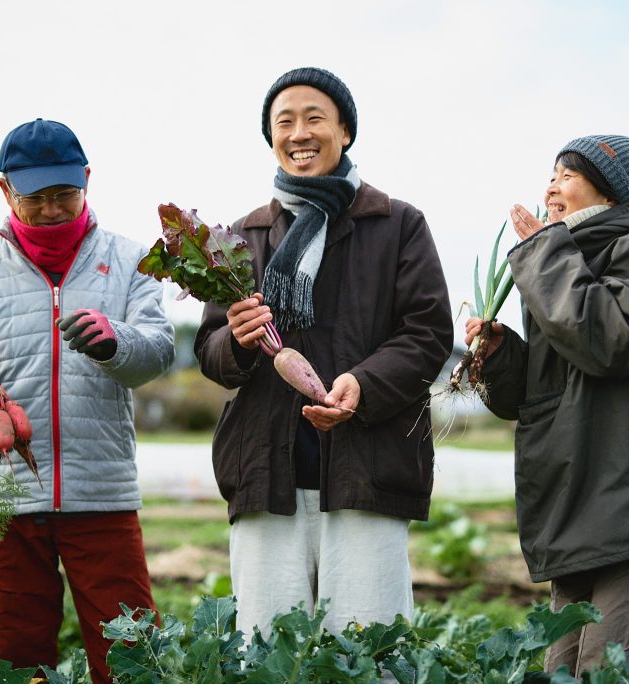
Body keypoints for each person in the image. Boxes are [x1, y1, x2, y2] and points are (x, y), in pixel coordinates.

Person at [194, 67, 454, 642]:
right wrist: (235, 340)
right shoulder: (244, 235)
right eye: (283, 121)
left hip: (368, 466)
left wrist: (362, 385)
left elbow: (428, 333)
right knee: (266, 651)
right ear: (271, 137)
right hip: (265, 472)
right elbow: (209, 350)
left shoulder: (397, 225)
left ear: (346, 132)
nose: (299, 132)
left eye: (315, 118)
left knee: (367, 649)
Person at [464, 135, 629, 683]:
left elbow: (607, 340)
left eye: (567, 173)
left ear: (609, 188)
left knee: (609, 675)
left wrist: (544, 255)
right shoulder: (568, 264)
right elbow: (535, 397)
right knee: (565, 673)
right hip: (586, 515)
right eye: (550, 174)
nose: (550, 186)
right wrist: (501, 355)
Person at [0, 118, 174, 683]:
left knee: (132, 659)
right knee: (16, 659)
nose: (50, 211)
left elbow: (160, 350)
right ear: (5, 191)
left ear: (87, 180)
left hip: (103, 494)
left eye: (64, 195)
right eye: (34, 198)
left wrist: (117, 342)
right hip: (7, 500)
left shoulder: (131, 259)